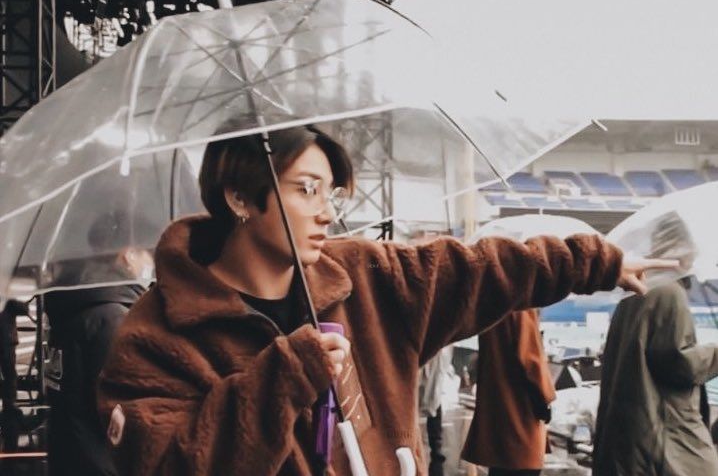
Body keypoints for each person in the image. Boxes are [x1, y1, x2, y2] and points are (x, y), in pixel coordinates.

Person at [96, 123, 672, 476]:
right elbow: (171, 464)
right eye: (305, 190)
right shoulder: (156, 334)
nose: (326, 210)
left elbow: (479, 267)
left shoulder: (363, 276)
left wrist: (598, 260)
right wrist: (284, 374)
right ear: (239, 197)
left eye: (331, 192)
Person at [593, 212, 718, 476]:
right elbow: (679, 364)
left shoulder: (635, 289)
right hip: (662, 439)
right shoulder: (669, 292)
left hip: (631, 435)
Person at [45, 209, 152, 476]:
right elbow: (122, 410)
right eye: (147, 253)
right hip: (101, 465)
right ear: (127, 254)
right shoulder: (113, 318)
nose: (150, 262)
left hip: (68, 457)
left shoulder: (72, 306)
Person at [462, 308, 555, 476]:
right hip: (521, 415)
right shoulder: (522, 305)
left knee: (500, 467)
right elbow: (531, 358)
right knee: (523, 466)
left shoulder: (494, 305)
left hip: (498, 415)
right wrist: (545, 398)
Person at [419, 346, 454, 476]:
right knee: (434, 401)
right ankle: (435, 446)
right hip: (434, 358)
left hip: (436, 359)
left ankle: (435, 446)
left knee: (434, 400)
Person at [0, 299, 28, 452]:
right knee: (10, 374)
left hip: (5, 339)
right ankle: (9, 404)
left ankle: (9, 403)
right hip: (7, 339)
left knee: (9, 373)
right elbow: (24, 309)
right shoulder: (9, 301)